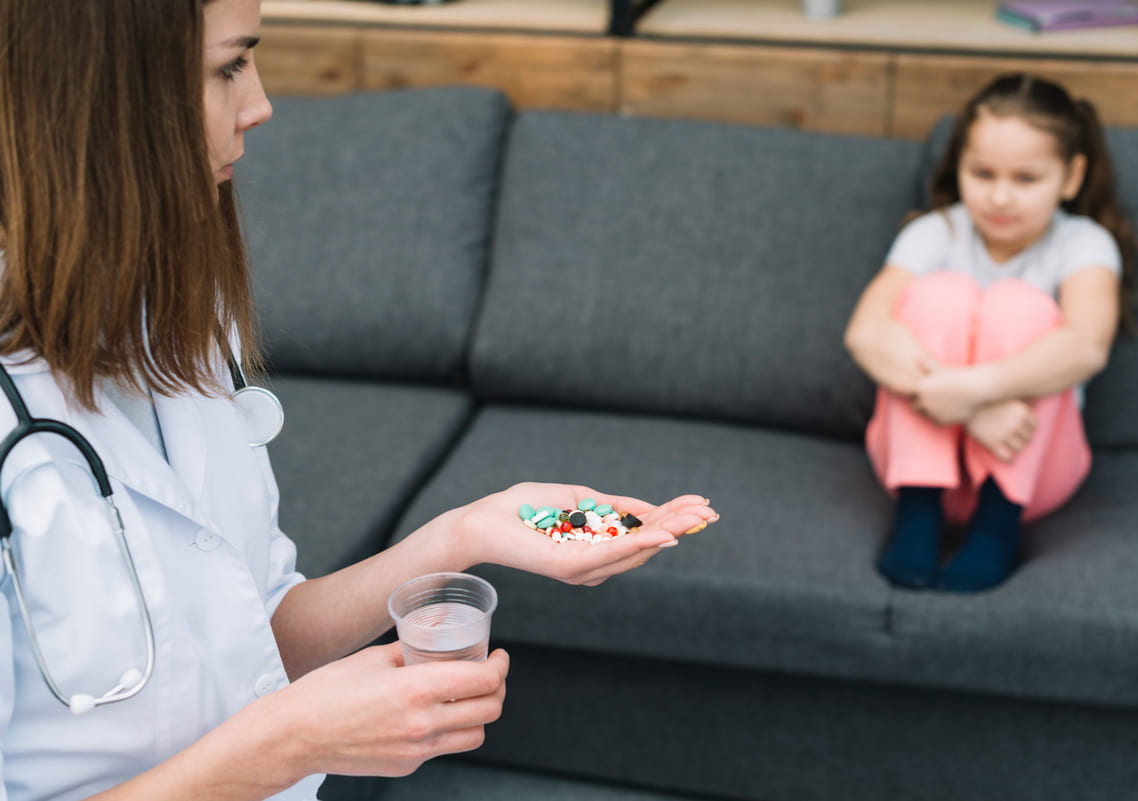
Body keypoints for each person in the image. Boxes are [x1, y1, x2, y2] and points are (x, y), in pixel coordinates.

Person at [0, 1, 719, 799]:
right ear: (100, 91)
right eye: (229, 65)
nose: (260, 103)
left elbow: (252, 631)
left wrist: (464, 533)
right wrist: (294, 738)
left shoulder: (175, 320)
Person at [844, 73, 1135, 593]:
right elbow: (866, 333)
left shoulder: (1083, 243)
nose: (1000, 197)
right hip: (917, 463)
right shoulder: (936, 232)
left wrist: (974, 391)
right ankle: (918, 515)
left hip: (1031, 471)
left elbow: (1086, 347)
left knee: (1018, 306)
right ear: (959, 166)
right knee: (941, 295)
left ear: (1071, 177)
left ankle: (995, 529)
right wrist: (970, 411)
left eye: (1026, 179)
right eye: (982, 173)